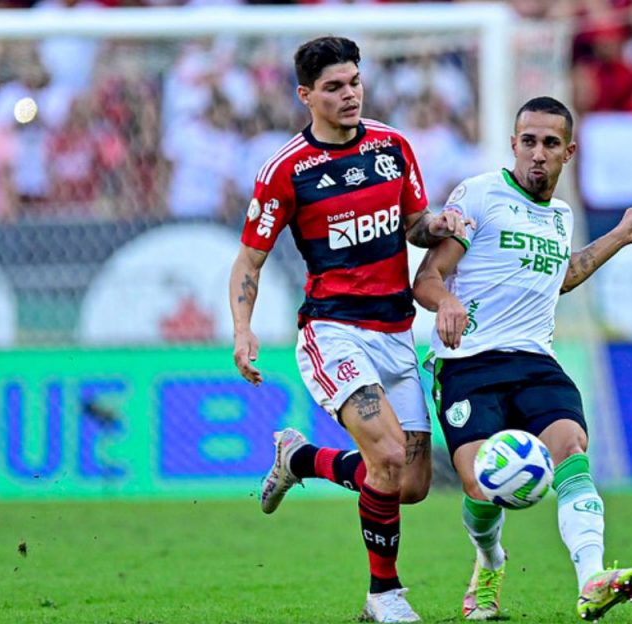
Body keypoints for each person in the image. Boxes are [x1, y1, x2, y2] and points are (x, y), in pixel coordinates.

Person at [228, 36, 469, 623]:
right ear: (305, 95)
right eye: (334, 87)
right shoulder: (287, 170)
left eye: (355, 82)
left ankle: (300, 459)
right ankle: (384, 596)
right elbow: (249, 262)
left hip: (396, 332)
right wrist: (243, 329)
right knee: (385, 454)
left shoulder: (392, 148)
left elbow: (414, 226)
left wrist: (439, 222)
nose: (350, 94)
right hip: (333, 330)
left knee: (408, 483)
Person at [412, 96, 632, 622]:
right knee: (481, 483)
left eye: (550, 144)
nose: (538, 154)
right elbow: (426, 279)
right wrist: (448, 302)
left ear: (568, 152)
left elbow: (560, 276)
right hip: (469, 362)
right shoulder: (480, 194)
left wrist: (619, 234)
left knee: (571, 448)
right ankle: (490, 558)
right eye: (529, 142)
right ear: (514, 145)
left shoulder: (562, 215)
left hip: (535, 360)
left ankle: (591, 578)